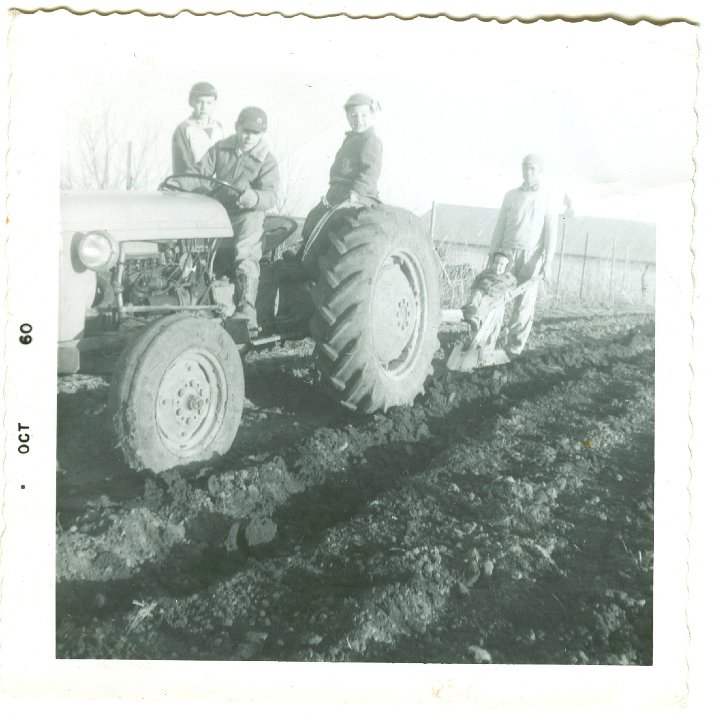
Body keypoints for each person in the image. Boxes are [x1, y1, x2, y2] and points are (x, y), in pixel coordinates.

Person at [184, 106, 279, 328]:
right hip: (218, 212)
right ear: (237, 127)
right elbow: (199, 175)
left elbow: (270, 196)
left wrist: (251, 197)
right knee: (190, 245)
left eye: (255, 133)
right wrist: (185, 186)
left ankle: (247, 310)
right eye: (245, 130)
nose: (249, 137)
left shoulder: (266, 160)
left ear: (262, 135)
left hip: (247, 214)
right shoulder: (220, 149)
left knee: (246, 250)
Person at [300, 93, 383, 274]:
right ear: (347, 117)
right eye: (353, 115)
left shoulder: (371, 141)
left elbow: (370, 171)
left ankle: (310, 266)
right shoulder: (351, 139)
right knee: (313, 218)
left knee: (327, 225)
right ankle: (301, 256)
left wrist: (357, 191)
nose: (358, 120)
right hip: (337, 191)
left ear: (372, 116)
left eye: (363, 115)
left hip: (359, 194)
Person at [489, 154, 557, 356]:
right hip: (507, 253)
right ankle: (488, 342)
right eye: (525, 168)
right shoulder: (511, 196)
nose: (528, 172)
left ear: (540, 172)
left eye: (532, 169)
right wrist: (493, 253)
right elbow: (500, 226)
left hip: (532, 257)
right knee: (496, 297)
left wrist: (548, 262)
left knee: (524, 304)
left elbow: (551, 231)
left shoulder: (547, 198)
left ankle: (514, 349)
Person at [461, 251, 517, 347]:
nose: (497, 266)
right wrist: (474, 288)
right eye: (496, 262)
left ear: (507, 267)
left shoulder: (508, 277)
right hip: (481, 290)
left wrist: (508, 292)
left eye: (501, 264)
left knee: (485, 303)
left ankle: (477, 319)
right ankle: (470, 309)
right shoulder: (486, 272)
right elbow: (477, 279)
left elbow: (513, 285)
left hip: (493, 296)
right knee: (476, 295)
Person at [172, 82, 225, 175]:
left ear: (214, 103)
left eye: (209, 103)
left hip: (217, 184)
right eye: (200, 102)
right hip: (194, 182)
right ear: (191, 102)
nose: (204, 107)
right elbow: (182, 164)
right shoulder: (184, 129)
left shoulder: (219, 127)